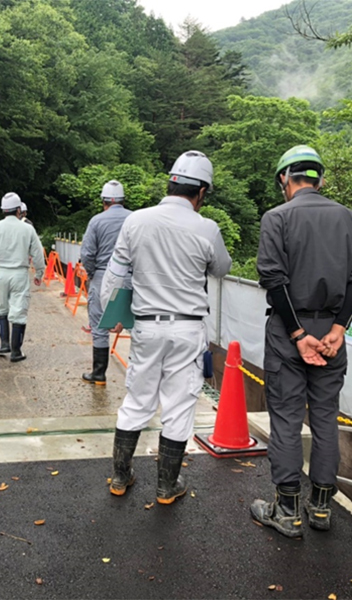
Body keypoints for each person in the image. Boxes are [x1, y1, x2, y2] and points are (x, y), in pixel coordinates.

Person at [251, 145, 352, 538]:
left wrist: (299, 334)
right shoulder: (350, 219)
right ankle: (321, 507)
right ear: (320, 179)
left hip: (290, 333)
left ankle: (287, 510)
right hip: (332, 337)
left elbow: (274, 279)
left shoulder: (277, 218)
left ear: (285, 179)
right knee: (325, 417)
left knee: (286, 418)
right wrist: (338, 329)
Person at [100, 151, 232, 504]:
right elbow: (221, 268)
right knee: (178, 405)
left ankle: (120, 475)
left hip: (146, 327)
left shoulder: (136, 221)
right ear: (202, 191)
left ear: (171, 182)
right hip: (187, 329)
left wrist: (108, 318)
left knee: (137, 400)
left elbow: (114, 275)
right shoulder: (207, 227)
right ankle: (166, 486)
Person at [0, 192, 46, 362]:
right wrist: (39, 272)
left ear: (3, 210)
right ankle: (16, 351)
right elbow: (37, 253)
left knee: (1, 309)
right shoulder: (27, 228)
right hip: (19, 274)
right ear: (18, 210)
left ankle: (4, 343)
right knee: (18, 312)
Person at [80, 180, 132, 385]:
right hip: (130, 277)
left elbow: (87, 253)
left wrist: (92, 274)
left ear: (104, 201)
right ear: (122, 200)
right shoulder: (134, 219)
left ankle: (99, 374)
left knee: (100, 325)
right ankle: (140, 377)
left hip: (102, 276)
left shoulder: (96, 221)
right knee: (135, 327)